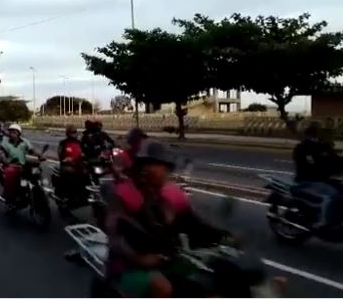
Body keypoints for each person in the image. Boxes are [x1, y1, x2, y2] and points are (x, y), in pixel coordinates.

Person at [106, 140, 227, 297]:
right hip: (127, 268)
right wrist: (139, 258)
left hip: (166, 261)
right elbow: (116, 237)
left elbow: (192, 224)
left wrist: (224, 237)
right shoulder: (125, 194)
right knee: (162, 287)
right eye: (148, 165)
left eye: (164, 167)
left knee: (210, 275)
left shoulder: (164, 199)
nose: (163, 173)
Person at [292, 122, 343, 229]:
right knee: (332, 195)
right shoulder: (302, 148)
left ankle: (341, 218)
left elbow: (338, 161)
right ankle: (323, 222)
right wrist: (329, 171)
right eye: (313, 133)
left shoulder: (324, 146)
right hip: (308, 181)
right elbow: (308, 166)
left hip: (324, 180)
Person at [0, 124, 42, 206]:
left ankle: (37, 190)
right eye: (10, 132)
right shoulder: (5, 142)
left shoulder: (24, 141)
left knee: (36, 171)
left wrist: (40, 155)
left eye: (14, 132)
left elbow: (32, 151)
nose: (12, 134)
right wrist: (5, 161)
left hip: (23, 165)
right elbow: (2, 154)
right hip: (11, 165)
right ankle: (9, 197)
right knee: (10, 173)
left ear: (19, 133)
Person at [56, 125, 88, 207]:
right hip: (67, 165)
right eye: (72, 132)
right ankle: (69, 197)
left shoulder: (79, 143)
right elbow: (60, 155)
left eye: (75, 132)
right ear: (68, 133)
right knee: (71, 173)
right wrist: (67, 159)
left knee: (87, 172)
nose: (75, 134)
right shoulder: (63, 143)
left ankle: (84, 195)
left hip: (78, 164)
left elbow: (84, 153)